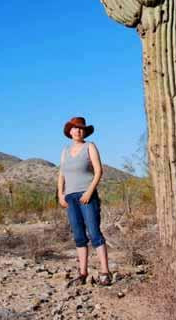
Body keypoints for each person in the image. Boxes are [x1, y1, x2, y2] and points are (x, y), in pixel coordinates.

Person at [58, 116, 111, 285]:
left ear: (84, 131)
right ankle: (82, 273)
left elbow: (98, 171)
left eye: (81, 128)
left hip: (86, 195)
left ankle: (105, 271)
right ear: (70, 131)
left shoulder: (90, 146)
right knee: (79, 236)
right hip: (71, 197)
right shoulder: (65, 151)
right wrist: (61, 193)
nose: (78, 131)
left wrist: (89, 192)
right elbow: (61, 174)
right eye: (74, 128)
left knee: (94, 233)